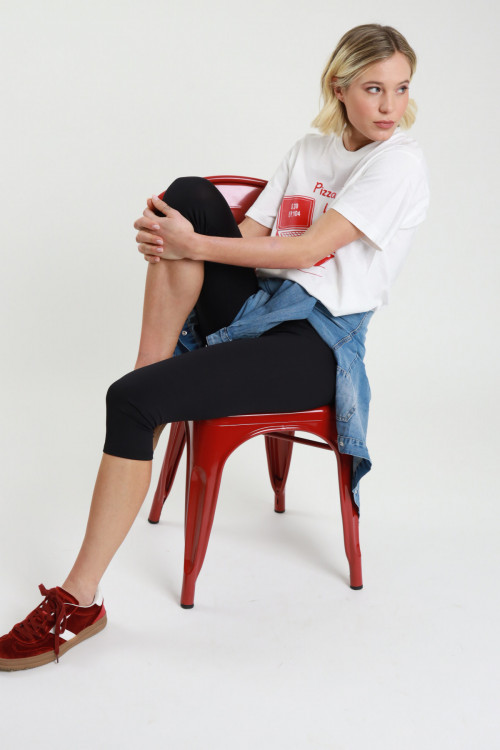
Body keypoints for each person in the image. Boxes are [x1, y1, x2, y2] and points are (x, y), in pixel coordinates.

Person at [0, 23, 429, 671]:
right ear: (339, 88)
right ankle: (153, 368)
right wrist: (174, 235)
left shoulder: (397, 163)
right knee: (189, 195)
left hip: (314, 343)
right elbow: (250, 238)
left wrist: (190, 246)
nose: (390, 105)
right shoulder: (309, 151)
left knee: (130, 400)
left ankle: (78, 601)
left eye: (401, 88)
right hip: (258, 308)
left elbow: (309, 251)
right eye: (374, 89)